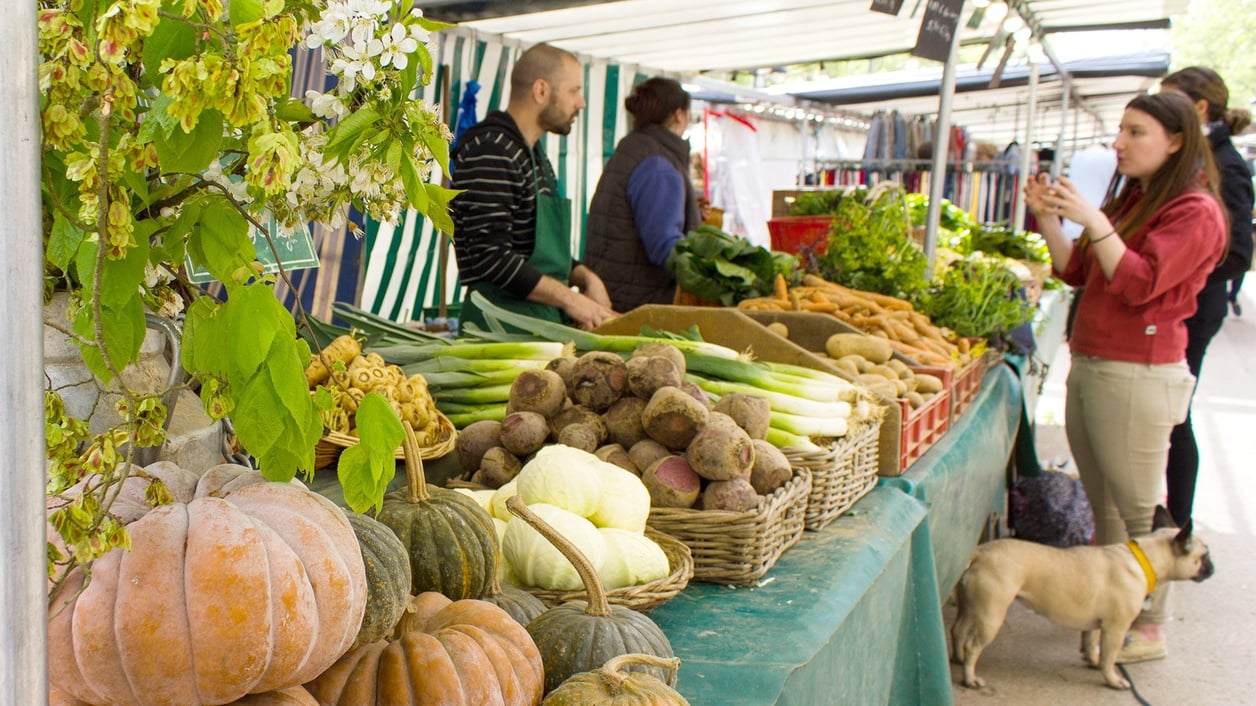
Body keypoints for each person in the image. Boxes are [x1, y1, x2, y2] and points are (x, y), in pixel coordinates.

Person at [1023, 91, 1227, 665]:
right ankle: (1113, 612)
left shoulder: (1195, 211)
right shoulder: (1137, 199)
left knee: (1140, 510)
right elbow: (1076, 269)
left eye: (1135, 132)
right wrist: (1048, 215)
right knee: (1107, 505)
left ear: (1176, 140)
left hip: (1139, 371)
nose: (1118, 143)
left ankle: (1150, 627)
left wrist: (1092, 217)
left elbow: (1139, 284)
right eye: (1120, 130)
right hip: (1093, 363)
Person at [449, 44, 616, 331]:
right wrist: (571, 300)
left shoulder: (532, 154)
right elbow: (491, 256)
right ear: (541, 91)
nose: (582, 103)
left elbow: (531, 250)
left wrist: (585, 277)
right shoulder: (492, 150)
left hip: (537, 325)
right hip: (500, 330)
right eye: (574, 90)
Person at [1156, 68, 1255, 531]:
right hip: (1174, 303)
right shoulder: (1192, 157)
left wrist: (1176, 276)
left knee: (1177, 414)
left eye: (1170, 104)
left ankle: (1178, 523)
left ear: (1198, 109)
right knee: (1168, 413)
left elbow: (1238, 253)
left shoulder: (1226, 164)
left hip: (1192, 309)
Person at [584, 77, 700, 312]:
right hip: (636, 305)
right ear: (679, 115)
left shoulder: (634, 148)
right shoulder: (657, 164)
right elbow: (664, 244)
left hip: (615, 292)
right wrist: (710, 273)